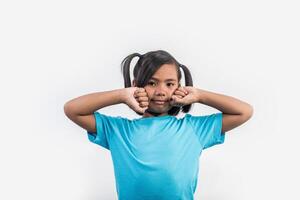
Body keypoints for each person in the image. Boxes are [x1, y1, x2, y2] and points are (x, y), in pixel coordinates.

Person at [64, 50, 253, 200]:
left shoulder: (194, 129)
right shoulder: (118, 130)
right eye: (152, 83)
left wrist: (201, 95)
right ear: (137, 85)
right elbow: (72, 109)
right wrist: (122, 95)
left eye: (170, 84)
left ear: (179, 87)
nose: (161, 91)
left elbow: (244, 111)